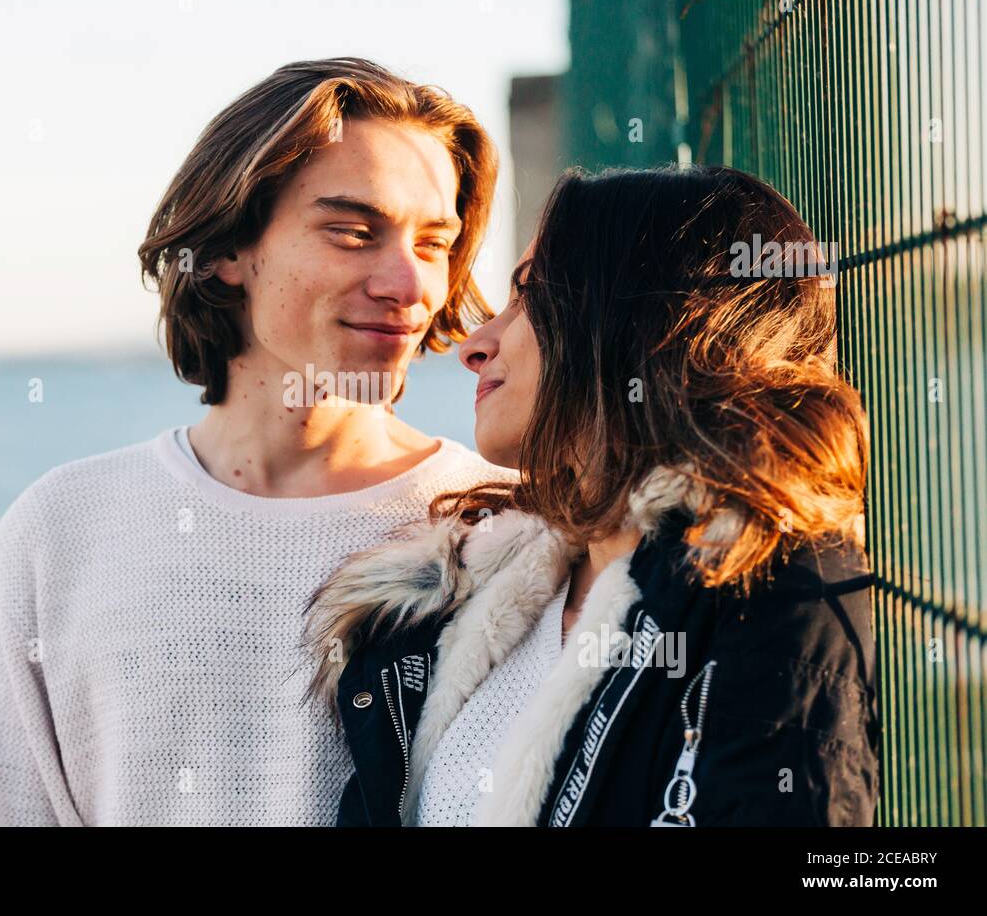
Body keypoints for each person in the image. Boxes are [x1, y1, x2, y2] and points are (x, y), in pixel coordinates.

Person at [0, 58, 513, 825]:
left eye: (435, 244)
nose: (408, 288)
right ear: (225, 250)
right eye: (352, 232)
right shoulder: (62, 533)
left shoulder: (504, 526)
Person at [305, 165, 880, 826]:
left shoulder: (776, 593)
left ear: (637, 319)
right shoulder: (463, 597)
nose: (475, 344)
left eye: (529, 295)